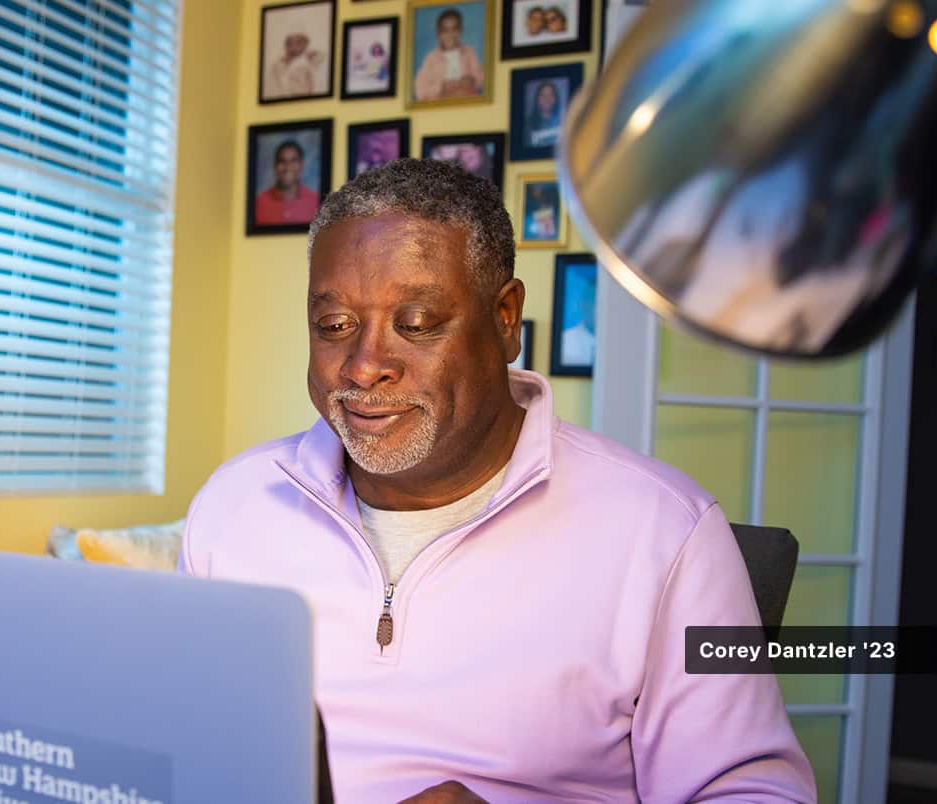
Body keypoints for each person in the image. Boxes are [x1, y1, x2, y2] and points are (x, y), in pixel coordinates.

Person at [179, 159, 815, 803]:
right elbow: (172, 748)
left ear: (506, 318)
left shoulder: (665, 532)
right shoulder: (234, 507)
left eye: (417, 323)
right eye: (334, 326)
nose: (365, 365)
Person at [413, 9, 484, 101]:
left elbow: (481, 78)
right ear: (438, 33)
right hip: (441, 102)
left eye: (454, 29)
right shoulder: (431, 58)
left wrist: (472, 81)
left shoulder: (469, 53)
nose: (450, 34)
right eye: (445, 30)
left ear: (461, 31)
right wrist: (442, 86)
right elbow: (420, 91)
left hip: (466, 100)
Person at [254, 139, 320, 225]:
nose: (287, 167)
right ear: (275, 166)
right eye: (282, 161)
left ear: (301, 165)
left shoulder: (316, 201)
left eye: (293, 161)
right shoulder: (259, 203)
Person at [265, 29, 324, 99]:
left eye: (298, 43)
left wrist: (307, 55)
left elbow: (321, 56)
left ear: (305, 46)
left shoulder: (307, 61)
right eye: (289, 43)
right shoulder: (278, 63)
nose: (293, 47)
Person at [526, 80, 563, 149]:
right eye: (543, 95)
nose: (547, 98)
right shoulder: (528, 123)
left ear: (555, 98)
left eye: (551, 95)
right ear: (537, 99)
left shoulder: (564, 122)